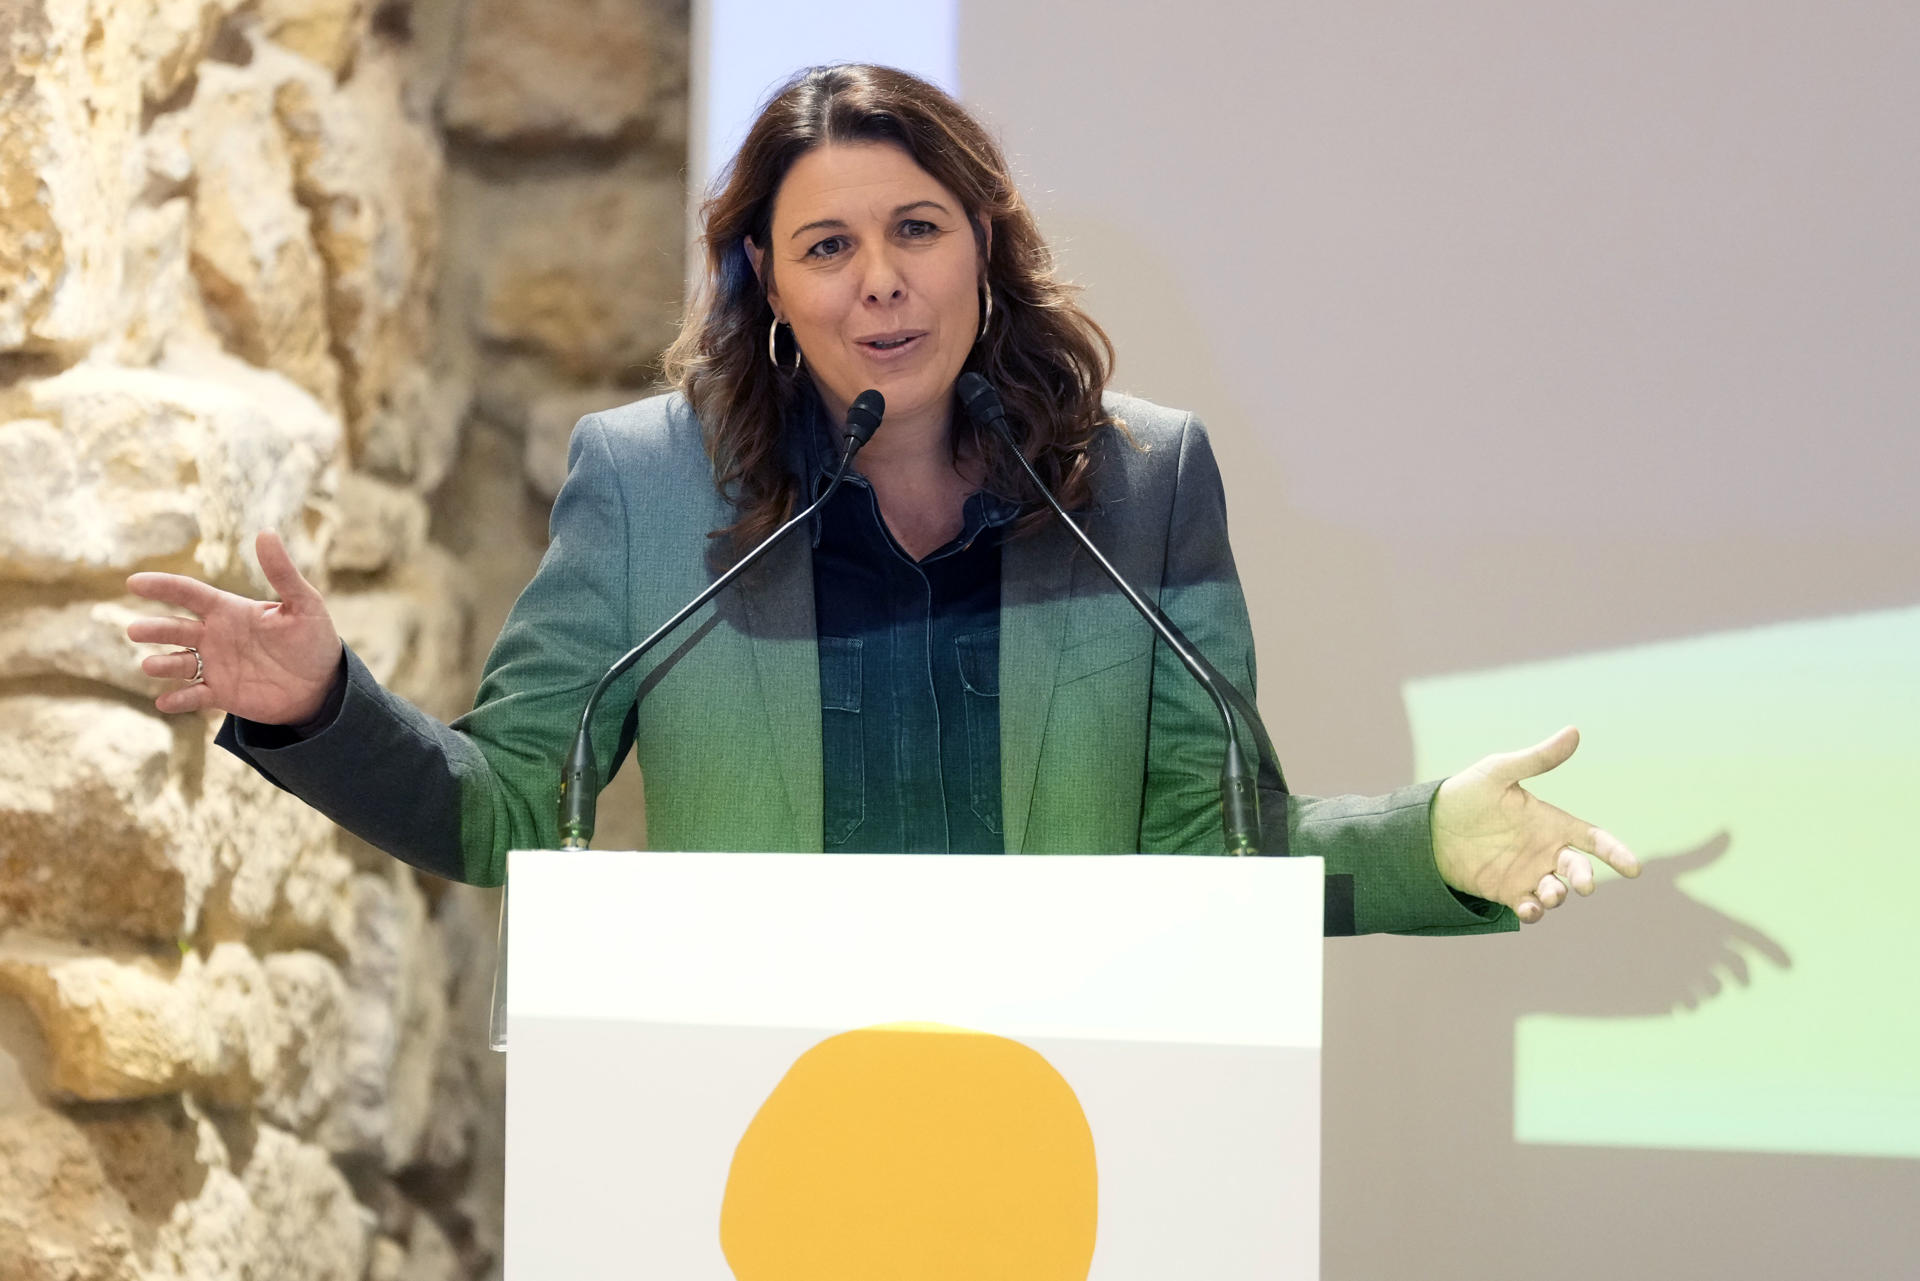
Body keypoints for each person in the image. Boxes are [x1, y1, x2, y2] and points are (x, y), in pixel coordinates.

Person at [124, 64, 1637, 932]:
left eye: (917, 226)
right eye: (827, 246)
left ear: (986, 243)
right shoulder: (650, 485)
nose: (883, 280)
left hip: (1085, 1129)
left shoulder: (1144, 481)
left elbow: (1213, 862)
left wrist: (1426, 838)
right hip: (757, 1137)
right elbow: (521, 805)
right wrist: (325, 703)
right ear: (768, 283)